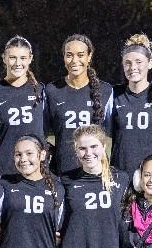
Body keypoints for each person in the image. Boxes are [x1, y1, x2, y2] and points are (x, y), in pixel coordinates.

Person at [44, 34, 114, 174]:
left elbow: (114, 133)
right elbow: (42, 132)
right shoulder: (52, 90)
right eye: (69, 55)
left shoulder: (105, 90)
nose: (74, 60)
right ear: (63, 58)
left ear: (89, 57)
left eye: (80, 55)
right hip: (62, 170)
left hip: (96, 170)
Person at [111, 34, 152, 174]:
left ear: (150, 63)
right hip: (120, 173)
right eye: (128, 62)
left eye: (139, 62)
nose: (133, 67)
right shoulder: (113, 94)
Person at [0, 36, 46, 178]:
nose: (17, 63)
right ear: (4, 58)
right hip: (4, 169)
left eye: (22, 58)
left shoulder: (41, 91)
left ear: (30, 58)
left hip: (34, 169)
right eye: (12, 57)